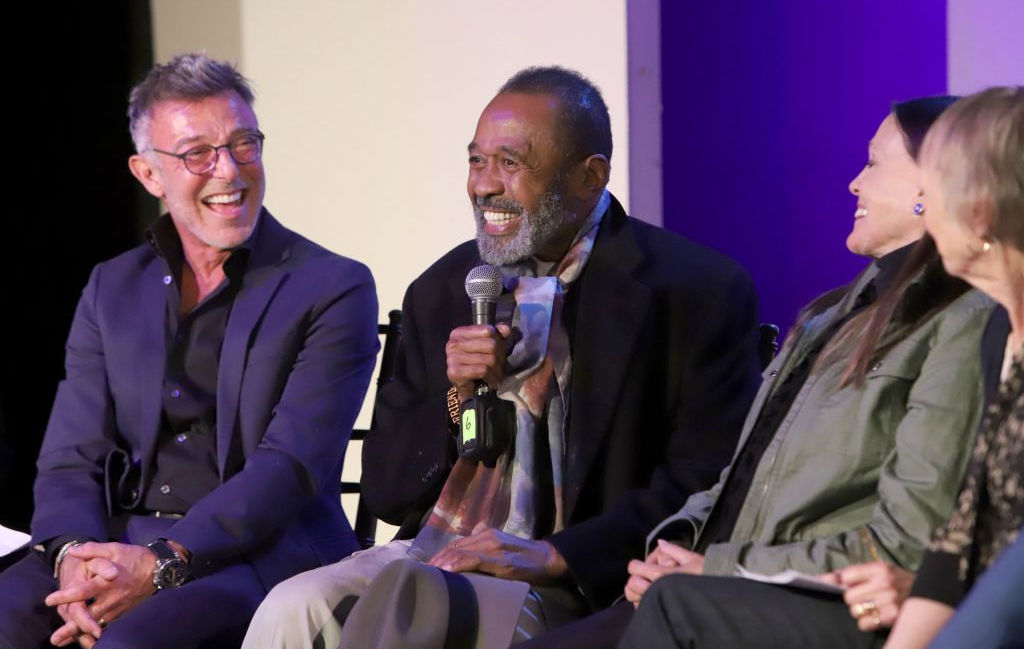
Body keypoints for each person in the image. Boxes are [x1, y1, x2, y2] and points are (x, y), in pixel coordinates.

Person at [242, 66, 762, 648]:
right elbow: (389, 494)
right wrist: (459, 394)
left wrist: (556, 553)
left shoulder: (692, 292)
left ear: (590, 177)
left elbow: (703, 482)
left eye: (510, 164)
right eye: (476, 162)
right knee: (294, 608)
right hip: (438, 548)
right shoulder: (445, 288)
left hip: (583, 573)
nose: (484, 186)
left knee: (419, 617)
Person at [523, 95, 996, 649]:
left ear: (929, 185)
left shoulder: (961, 323)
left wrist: (715, 569)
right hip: (718, 586)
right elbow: (744, 472)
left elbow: (903, 540)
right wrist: (674, 547)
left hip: (803, 603)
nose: (854, 184)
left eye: (874, 163)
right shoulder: (830, 316)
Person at [0, 53, 380, 649]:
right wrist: (74, 556)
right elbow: (72, 453)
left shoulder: (333, 286)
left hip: (257, 554)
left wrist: (160, 563)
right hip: (117, 541)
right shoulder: (113, 286)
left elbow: (290, 467)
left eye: (243, 144)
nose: (228, 171)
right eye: (197, 153)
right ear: (149, 174)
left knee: (129, 644)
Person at [876, 86, 1023, 649]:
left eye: (931, 190)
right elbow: (960, 533)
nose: (924, 209)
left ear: (980, 215)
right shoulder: (998, 334)